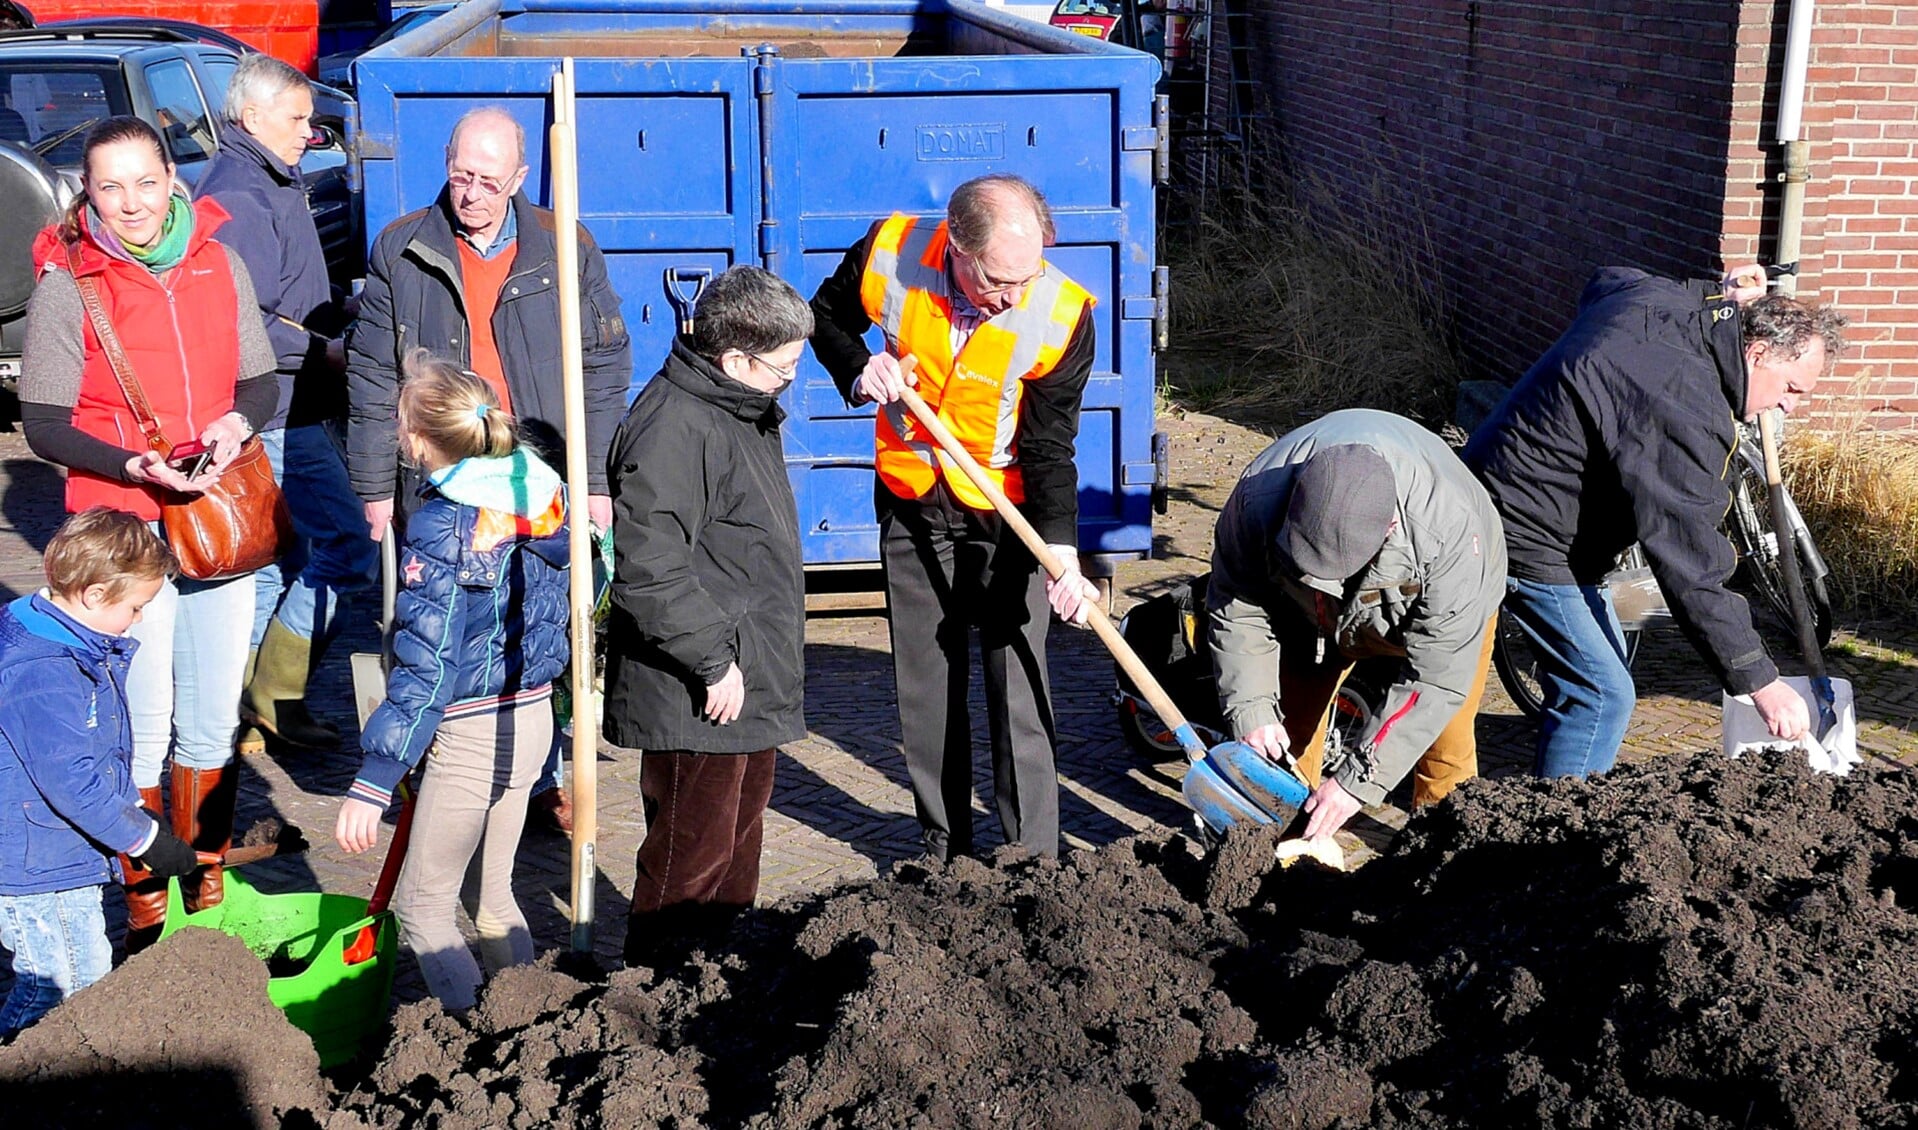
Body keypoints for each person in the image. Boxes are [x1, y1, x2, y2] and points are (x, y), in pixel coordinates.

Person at [19, 116, 280, 952]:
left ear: (174, 177)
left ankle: (206, 894)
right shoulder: (72, 283)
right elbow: (44, 423)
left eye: (144, 180)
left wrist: (240, 422)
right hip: (128, 528)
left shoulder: (218, 259)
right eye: (110, 186)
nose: (130, 202)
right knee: (143, 726)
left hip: (218, 519)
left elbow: (260, 377)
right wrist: (135, 467)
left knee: (210, 723)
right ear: (86, 194)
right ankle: (145, 912)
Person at [346, 105, 631, 834]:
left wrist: (594, 480)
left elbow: (603, 365)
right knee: (448, 624)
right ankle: (450, 769)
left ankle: (550, 773)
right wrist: (375, 485)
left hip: (531, 474)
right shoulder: (402, 248)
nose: (471, 193)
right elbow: (373, 372)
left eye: (488, 181)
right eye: (460, 175)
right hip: (444, 470)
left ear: (521, 179)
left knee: (544, 622)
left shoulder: (565, 248)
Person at [809, 173, 1099, 861]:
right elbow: (820, 315)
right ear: (957, 247)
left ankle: (1032, 854)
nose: (1013, 297)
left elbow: (1051, 445)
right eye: (999, 281)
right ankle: (943, 851)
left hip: (1010, 514)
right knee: (926, 682)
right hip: (911, 500)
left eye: (1026, 277)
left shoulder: (1061, 313)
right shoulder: (891, 253)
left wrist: (1063, 555)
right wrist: (860, 368)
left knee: (1019, 680)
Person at [1463, 266, 1848, 778]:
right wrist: (1760, 681)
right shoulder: (1683, 401)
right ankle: (1552, 834)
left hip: (1518, 493)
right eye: (1792, 389)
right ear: (1756, 354)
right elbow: (1689, 563)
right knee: (1601, 695)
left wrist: (1724, 296)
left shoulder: (1665, 304)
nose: (1789, 407)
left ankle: (1571, 774)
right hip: (1525, 529)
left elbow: (1604, 281)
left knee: (1607, 652)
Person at [335, 350, 570, 1011]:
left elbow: (429, 661)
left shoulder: (447, 523)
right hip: (531, 718)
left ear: (415, 440)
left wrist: (375, 777)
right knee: (491, 896)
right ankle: (536, 1021)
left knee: (421, 907)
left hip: (470, 729)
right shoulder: (539, 500)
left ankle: (476, 1041)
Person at [603, 266, 810, 963]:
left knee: (735, 846)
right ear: (734, 360)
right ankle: (655, 993)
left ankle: (720, 985)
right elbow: (650, 564)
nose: (790, 380)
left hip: (743, 671)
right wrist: (712, 661)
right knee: (687, 861)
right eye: (781, 368)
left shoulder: (738, 410)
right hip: (698, 688)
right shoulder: (674, 427)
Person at [1208, 410, 1507, 840]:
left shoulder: (1453, 539)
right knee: (1282, 742)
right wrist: (1252, 707)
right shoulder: (1259, 498)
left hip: (1438, 604)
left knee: (1446, 749)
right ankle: (1286, 850)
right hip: (1307, 617)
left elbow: (1435, 683)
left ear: (1388, 529)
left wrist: (1356, 781)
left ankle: (1441, 864)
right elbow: (1239, 600)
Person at [197, 52, 374, 754]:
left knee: (280, 559)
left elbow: (289, 296)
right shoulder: (241, 195)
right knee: (345, 544)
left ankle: (240, 699)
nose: (310, 130)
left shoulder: (269, 177)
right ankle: (267, 694)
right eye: (298, 118)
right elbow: (249, 320)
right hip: (278, 408)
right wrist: (326, 350)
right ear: (253, 117)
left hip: (292, 399)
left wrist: (341, 308)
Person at [0, 510, 201, 1034]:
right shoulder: (45, 670)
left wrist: (128, 814)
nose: (137, 620)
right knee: (63, 989)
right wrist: (143, 839)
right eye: (134, 607)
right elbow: (71, 779)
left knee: (76, 982)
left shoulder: (54, 635)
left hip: (55, 850)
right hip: (39, 864)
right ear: (93, 595)